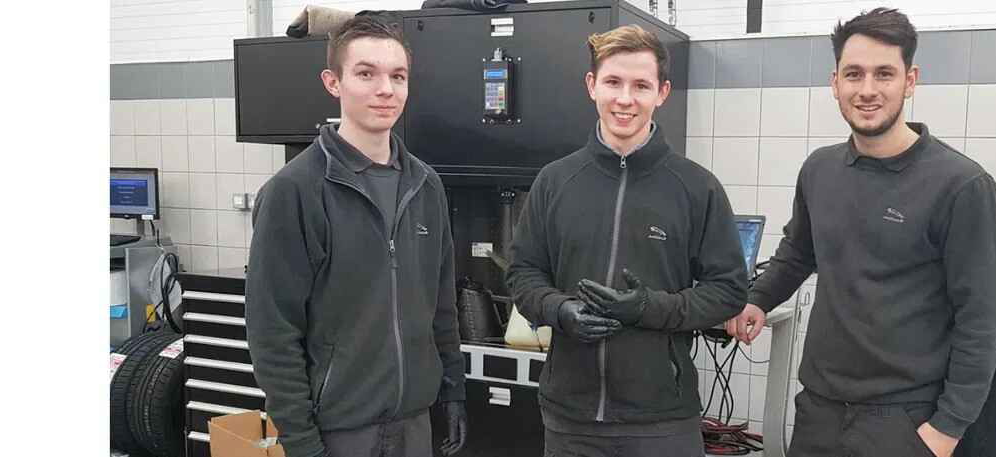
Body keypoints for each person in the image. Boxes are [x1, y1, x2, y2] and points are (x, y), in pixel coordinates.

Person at [722, 8, 996, 457]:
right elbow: (798, 252)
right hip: (819, 409)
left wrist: (947, 428)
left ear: (910, 81)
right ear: (835, 83)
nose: (867, 89)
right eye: (853, 74)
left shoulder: (962, 186)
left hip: (904, 419)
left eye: (884, 74)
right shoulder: (819, 170)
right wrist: (758, 299)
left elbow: (983, 318)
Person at [506, 24, 749, 457]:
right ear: (591, 85)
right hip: (571, 419)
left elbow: (728, 291)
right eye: (613, 82)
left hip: (662, 421)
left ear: (662, 92)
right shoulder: (555, 181)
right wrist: (560, 310)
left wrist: (648, 308)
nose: (624, 99)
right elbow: (523, 274)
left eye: (641, 85)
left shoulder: (696, 188)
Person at [245, 12, 466, 457]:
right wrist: (301, 441)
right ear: (333, 82)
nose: (386, 89)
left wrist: (454, 390)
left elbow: (440, 304)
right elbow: (272, 333)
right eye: (366, 73)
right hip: (338, 432)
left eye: (397, 75)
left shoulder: (425, 185)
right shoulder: (295, 191)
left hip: (414, 423)